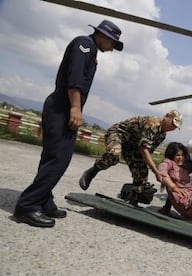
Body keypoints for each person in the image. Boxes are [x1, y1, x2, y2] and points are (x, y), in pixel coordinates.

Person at [13, 20, 124, 228]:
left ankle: (44, 200)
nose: (112, 49)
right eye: (112, 44)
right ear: (103, 36)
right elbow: (74, 78)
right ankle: (27, 206)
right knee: (58, 159)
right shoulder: (85, 44)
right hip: (63, 108)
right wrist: (75, 107)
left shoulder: (90, 50)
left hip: (60, 107)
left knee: (51, 157)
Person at [79, 110, 182, 206]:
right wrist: (155, 171)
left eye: (174, 127)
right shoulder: (153, 123)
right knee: (114, 155)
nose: (172, 128)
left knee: (142, 174)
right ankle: (92, 171)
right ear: (166, 117)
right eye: (172, 124)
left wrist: (160, 173)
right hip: (119, 135)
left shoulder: (161, 135)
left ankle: (132, 200)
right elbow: (144, 149)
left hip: (133, 147)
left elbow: (146, 154)